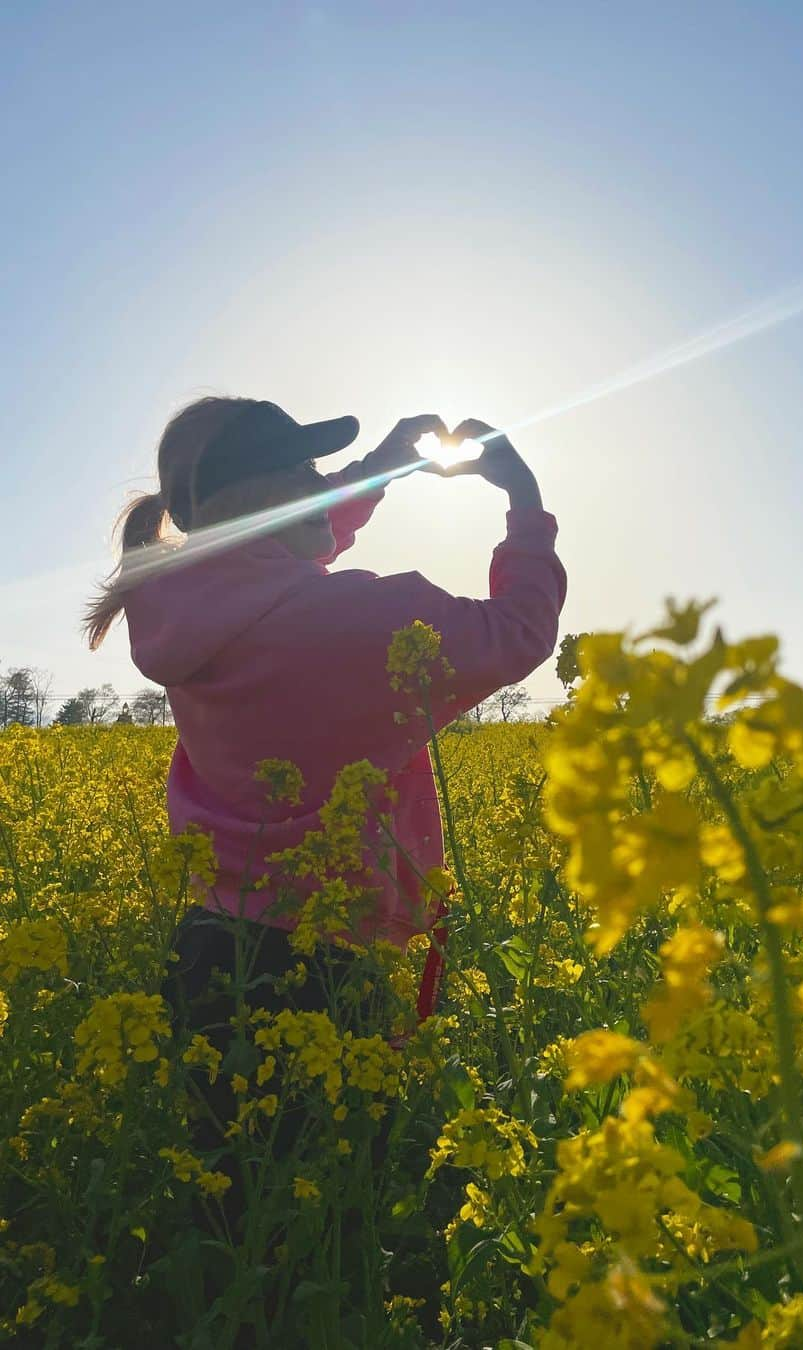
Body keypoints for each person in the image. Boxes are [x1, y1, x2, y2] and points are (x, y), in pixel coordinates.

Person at [81, 395, 567, 1241]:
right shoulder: (359, 617)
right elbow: (519, 631)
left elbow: (269, 555)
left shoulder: (172, 603)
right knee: (337, 1234)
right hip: (329, 968)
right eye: (305, 473)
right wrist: (522, 500)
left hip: (208, 957)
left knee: (229, 1225)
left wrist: (381, 467)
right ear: (268, 498)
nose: (322, 486)